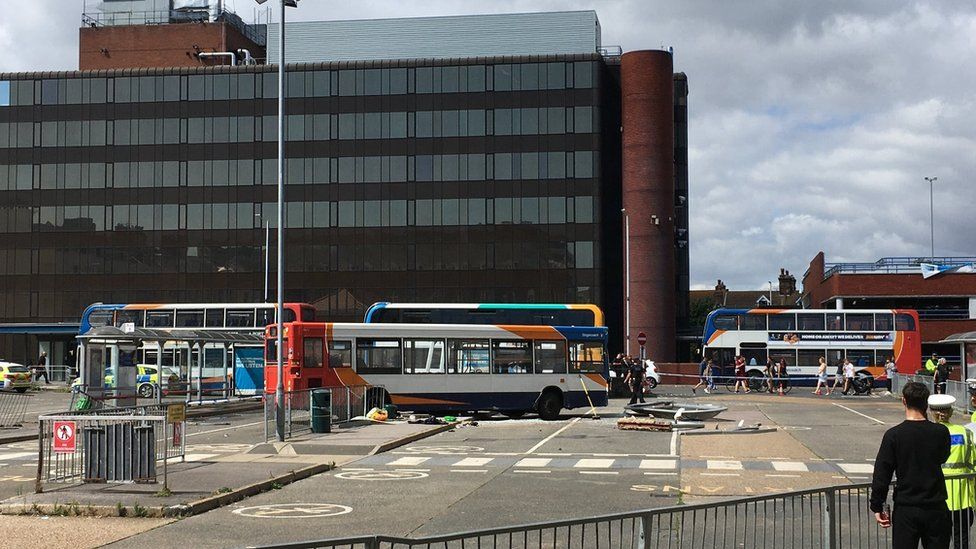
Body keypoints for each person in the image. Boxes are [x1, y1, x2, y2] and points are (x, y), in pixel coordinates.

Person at [870, 381, 951, 549]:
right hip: (936, 505)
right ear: (926, 402)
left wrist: (878, 504)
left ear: (904, 401)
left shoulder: (894, 435)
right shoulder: (941, 432)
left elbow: (882, 474)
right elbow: (942, 457)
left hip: (906, 506)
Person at [929, 394, 976, 549]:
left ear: (931, 411)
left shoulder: (929, 433)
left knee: (937, 540)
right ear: (950, 412)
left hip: (936, 496)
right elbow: (973, 462)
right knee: (961, 540)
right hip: (963, 496)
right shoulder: (965, 433)